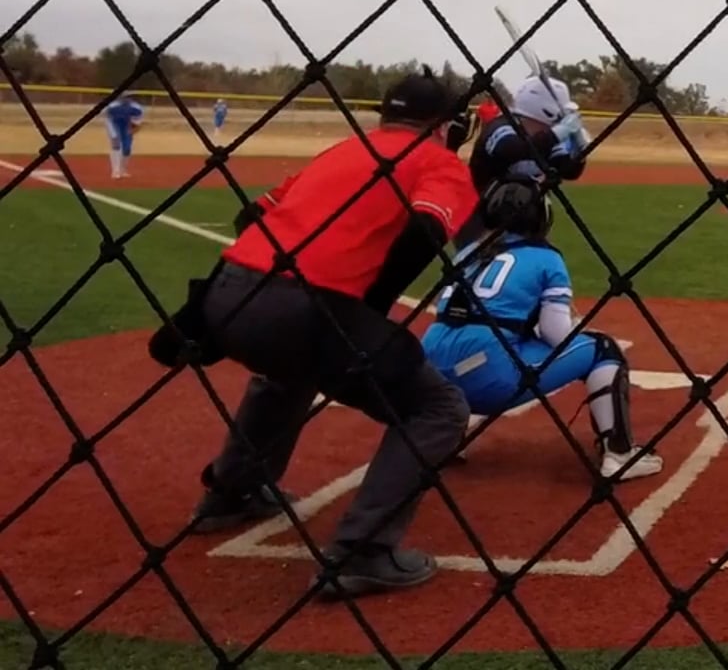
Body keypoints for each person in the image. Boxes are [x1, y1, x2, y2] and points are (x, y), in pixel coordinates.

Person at [157, 70, 479, 598]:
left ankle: (231, 493)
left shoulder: (343, 151)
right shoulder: (438, 161)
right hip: (304, 306)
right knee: (439, 408)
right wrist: (371, 303)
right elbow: (425, 230)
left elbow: (251, 214)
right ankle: (363, 552)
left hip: (225, 294)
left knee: (290, 369)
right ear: (447, 126)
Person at [423, 178, 662, 481]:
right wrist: (579, 328)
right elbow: (555, 334)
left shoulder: (466, 252)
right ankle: (619, 455)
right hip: (487, 379)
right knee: (603, 350)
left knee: (484, 337)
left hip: (429, 377)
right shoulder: (546, 257)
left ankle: (443, 439)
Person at [456, 75, 588, 248]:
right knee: (480, 262)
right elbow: (511, 150)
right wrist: (557, 133)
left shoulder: (545, 138)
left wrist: (580, 151)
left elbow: (569, 171)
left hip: (525, 218)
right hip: (480, 218)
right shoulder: (501, 126)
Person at [104, 91, 145, 180]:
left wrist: (132, 131)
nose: (128, 99)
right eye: (126, 97)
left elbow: (138, 122)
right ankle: (115, 171)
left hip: (127, 126)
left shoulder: (137, 108)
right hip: (114, 125)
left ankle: (123, 170)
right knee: (116, 145)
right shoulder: (113, 106)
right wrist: (113, 134)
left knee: (127, 148)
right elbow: (108, 119)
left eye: (130, 97)